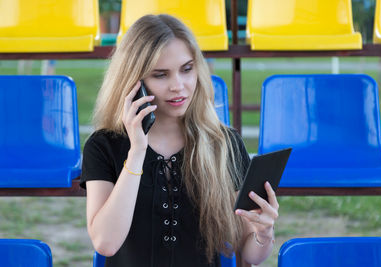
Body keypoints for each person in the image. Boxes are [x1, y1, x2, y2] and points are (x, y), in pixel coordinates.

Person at [80, 14, 279, 267]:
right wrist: (137, 151)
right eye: (161, 75)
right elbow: (106, 242)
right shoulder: (103, 145)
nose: (179, 86)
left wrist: (264, 232)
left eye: (187, 69)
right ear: (133, 83)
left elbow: (248, 255)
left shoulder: (224, 144)